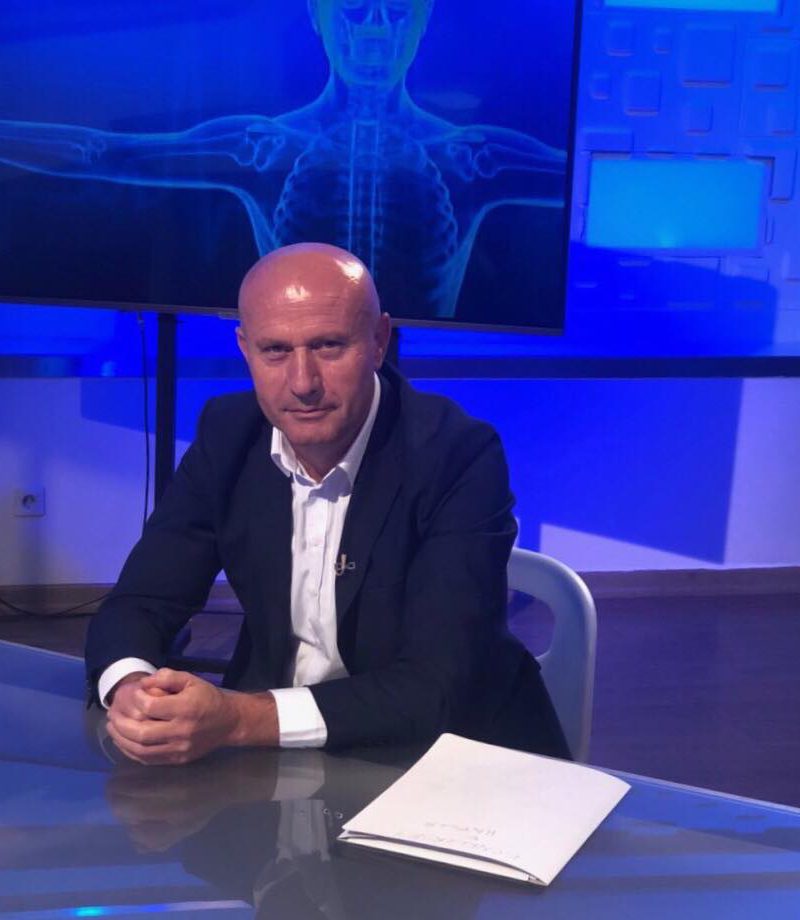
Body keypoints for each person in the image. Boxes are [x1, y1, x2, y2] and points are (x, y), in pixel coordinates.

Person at [85, 242, 569, 765]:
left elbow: (438, 686)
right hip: (282, 758)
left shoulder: (457, 454)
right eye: (275, 351)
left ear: (379, 341)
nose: (302, 383)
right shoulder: (228, 434)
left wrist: (239, 718)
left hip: (445, 757)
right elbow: (141, 601)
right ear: (245, 348)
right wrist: (132, 688)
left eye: (329, 346)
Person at [0, 0, 565, 319]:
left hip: (416, 389)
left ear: (424, 19)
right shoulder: (266, 146)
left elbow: (585, 177)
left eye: (396, 11)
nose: (375, 30)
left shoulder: (470, 157)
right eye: (354, 9)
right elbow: (102, 153)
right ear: (317, 15)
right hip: (288, 381)